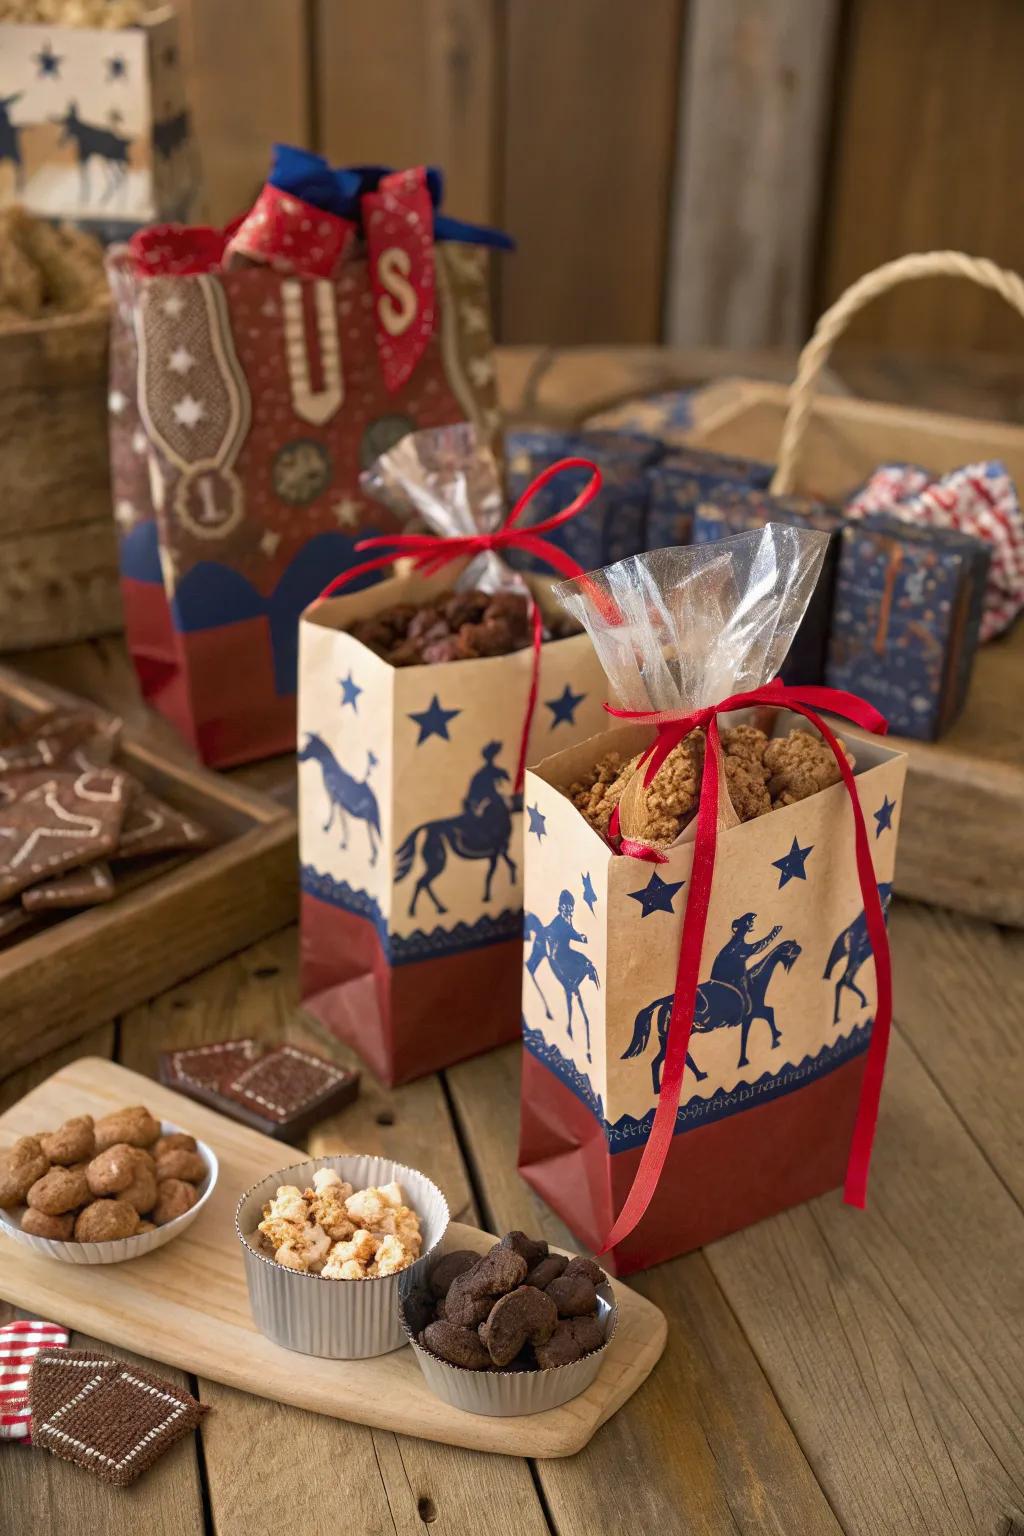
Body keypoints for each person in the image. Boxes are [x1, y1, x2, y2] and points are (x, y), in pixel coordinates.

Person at [709, 912, 781, 986]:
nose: (752, 924)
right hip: (724, 983)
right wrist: (774, 933)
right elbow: (754, 947)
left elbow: (755, 947)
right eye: (750, 922)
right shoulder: (736, 944)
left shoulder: (737, 942)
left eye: (751, 922)